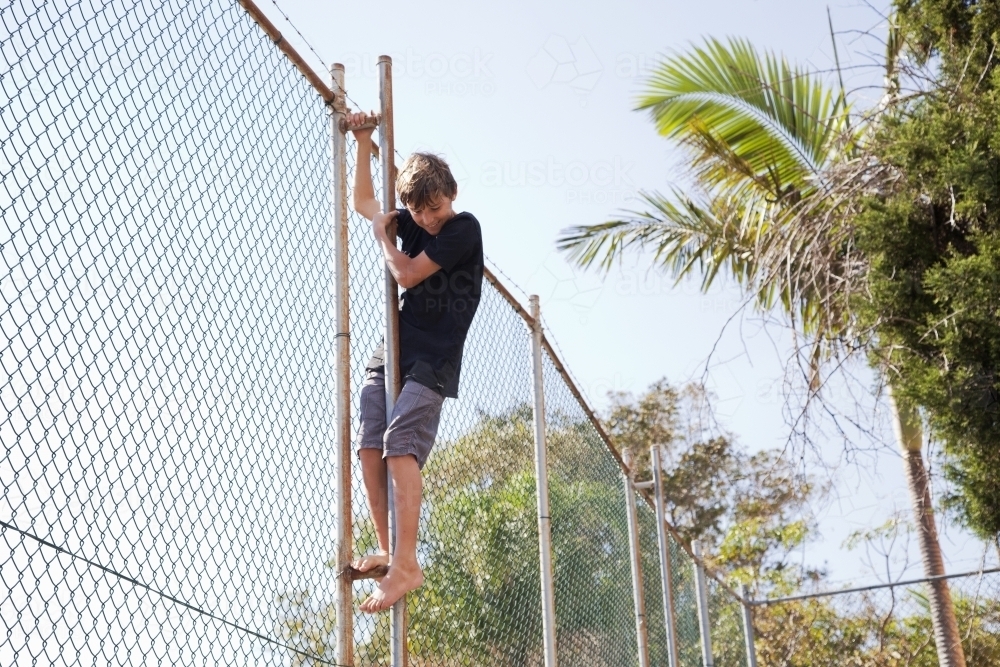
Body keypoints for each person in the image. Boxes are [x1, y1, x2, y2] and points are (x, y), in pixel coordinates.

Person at [346, 112, 484, 614]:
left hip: (434, 357)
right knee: (369, 442)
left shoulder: (462, 228)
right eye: (419, 213)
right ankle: (387, 547)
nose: (428, 220)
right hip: (397, 348)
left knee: (400, 446)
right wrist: (363, 141)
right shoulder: (416, 217)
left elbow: (405, 274)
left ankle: (407, 562)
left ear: (452, 194)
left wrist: (384, 237)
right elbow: (365, 203)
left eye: (436, 208)